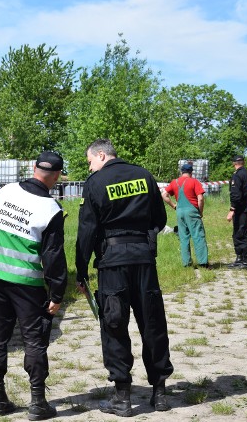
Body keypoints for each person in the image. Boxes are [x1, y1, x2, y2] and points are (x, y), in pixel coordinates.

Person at [75, 139, 174, 417]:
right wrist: (145, 242)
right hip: (144, 261)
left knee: (114, 325)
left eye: (90, 161)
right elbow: (160, 219)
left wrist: (81, 271)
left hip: (112, 263)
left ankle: (122, 397)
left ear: (102, 155)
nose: (90, 166)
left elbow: (86, 231)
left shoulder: (95, 183)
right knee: (152, 323)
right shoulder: (144, 175)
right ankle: (161, 393)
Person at [0, 151, 67, 420]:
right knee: (34, 340)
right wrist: (57, 293)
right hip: (26, 283)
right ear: (58, 176)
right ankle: (38, 402)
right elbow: (53, 256)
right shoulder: (51, 209)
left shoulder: (5, 191)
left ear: (32, 167)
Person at [161, 163, 209, 268]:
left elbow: (164, 195)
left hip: (180, 212)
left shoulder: (175, 182)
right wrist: (200, 212)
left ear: (181, 172)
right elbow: (200, 198)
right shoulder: (194, 181)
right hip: (192, 211)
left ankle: (186, 263)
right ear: (191, 172)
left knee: (183, 237)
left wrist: (174, 206)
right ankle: (203, 263)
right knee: (198, 236)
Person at [226, 155, 247, 268]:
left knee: (241, 233)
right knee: (239, 232)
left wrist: (232, 210)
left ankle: (246, 261)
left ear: (234, 163)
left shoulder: (237, 176)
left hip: (240, 208)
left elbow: (236, 195)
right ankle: (240, 258)